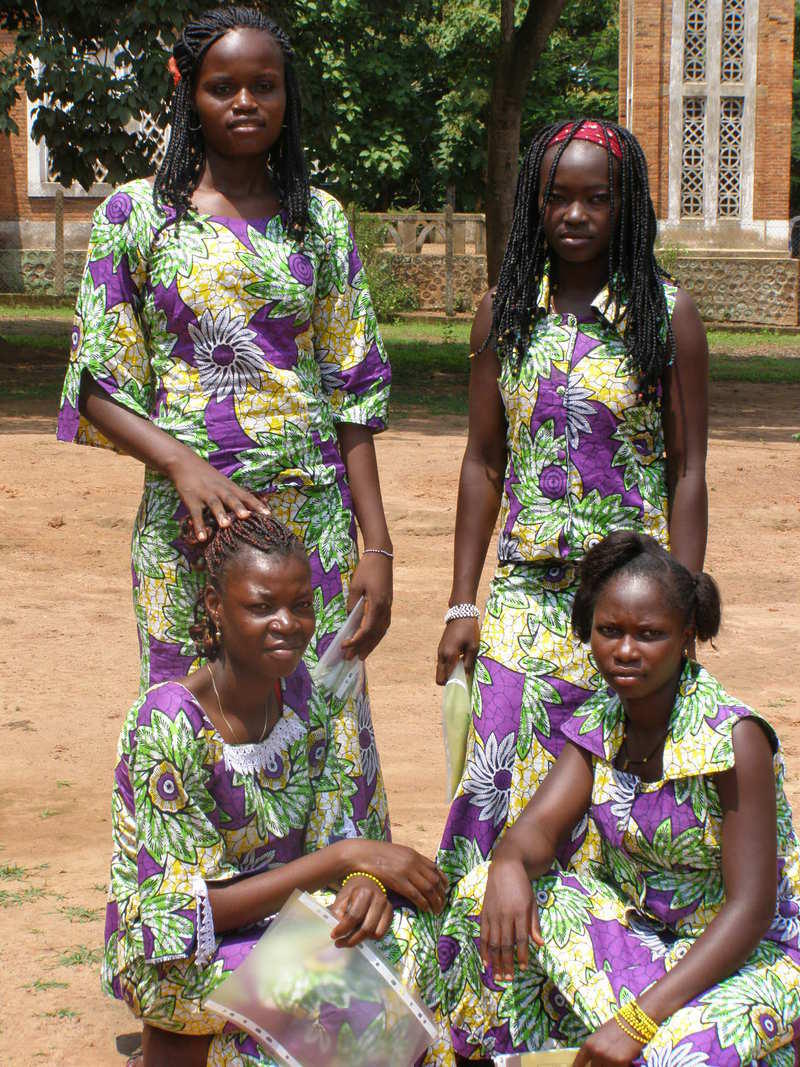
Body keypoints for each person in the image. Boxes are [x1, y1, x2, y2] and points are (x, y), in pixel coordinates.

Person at [57, 6, 394, 840]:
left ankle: (329, 940)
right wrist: (181, 465)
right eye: (223, 86)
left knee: (325, 718)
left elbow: (350, 392)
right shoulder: (135, 216)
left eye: (264, 85)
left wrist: (376, 547)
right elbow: (94, 384)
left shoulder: (319, 220)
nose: (245, 101)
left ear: (287, 97)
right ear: (190, 97)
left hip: (307, 522)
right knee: (190, 712)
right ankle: (204, 923)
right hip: (189, 531)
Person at [435, 119, 709, 884]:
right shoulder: (506, 311)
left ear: (627, 208)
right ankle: (476, 958)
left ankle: (594, 957)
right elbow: (484, 460)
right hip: (526, 590)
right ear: (536, 205)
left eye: (597, 198)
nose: (577, 215)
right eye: (559, 198)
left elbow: (688, 470)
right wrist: (463, 602)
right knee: (495, 766)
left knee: (604, 782)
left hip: (628, 601)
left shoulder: (664, 316)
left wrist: (680, 606)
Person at [435, 531, 800, 1065]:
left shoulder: (735, 739)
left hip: (749, 955)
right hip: (644, 935)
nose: (625, 650)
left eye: (648, 634)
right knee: (483, 895)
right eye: (609, 631)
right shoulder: (600, 722)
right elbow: (535, 832)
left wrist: (638, 1019)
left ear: (686, 634)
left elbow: (750, 910)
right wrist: (509, 864)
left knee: (669, 1054)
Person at [103, 509, 451, 1067]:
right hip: (181, 957)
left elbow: (345, 833)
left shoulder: (311, 697)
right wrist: (344, 859)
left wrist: (363, 881)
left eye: (302, 605)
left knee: (421, 944)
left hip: (287, 923)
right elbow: (182, 919)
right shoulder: (167, 724)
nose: (287, 623)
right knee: (343, 996)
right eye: (261, 607)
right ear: (216, 607)